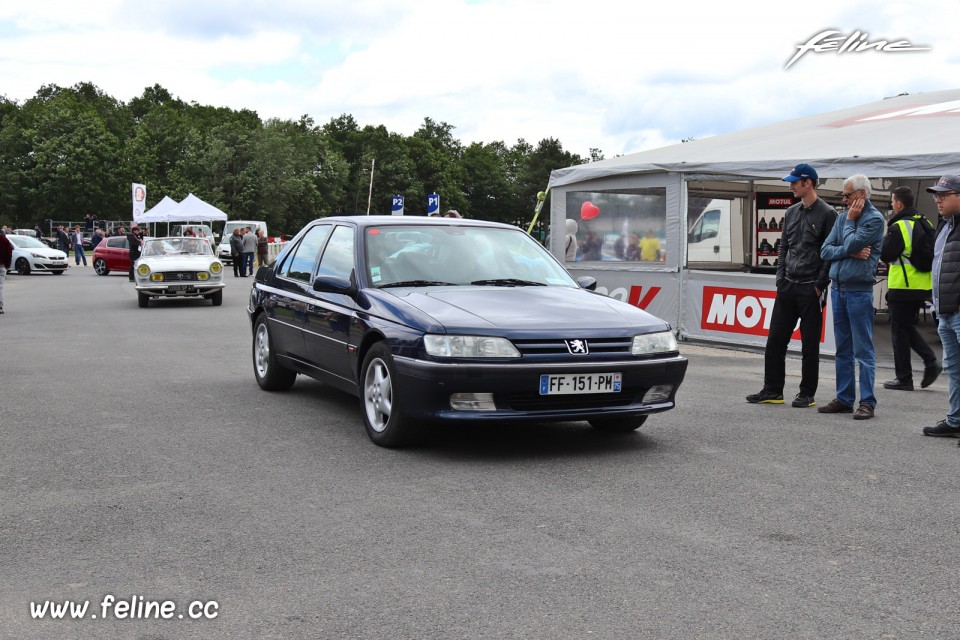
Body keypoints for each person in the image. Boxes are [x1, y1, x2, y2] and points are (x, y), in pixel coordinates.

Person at [747, 163, 837, 407]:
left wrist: (819, 285)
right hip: (788, 286)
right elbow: (783, 247)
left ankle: (807, 393)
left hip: (811, 288)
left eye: (795, 182)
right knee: (775, 340)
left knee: (809, 345)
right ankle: (773, 390)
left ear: (808, 183)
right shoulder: (791, 212)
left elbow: (829, 254)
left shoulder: (828, 214)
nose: (791, 186)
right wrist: (780, 279)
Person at [816, 174, 885, 420]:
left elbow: (852, 241)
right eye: (844, 196)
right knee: (843, 348)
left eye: (847, 195)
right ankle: (844, 399)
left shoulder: (874, 219)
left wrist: (849, 228)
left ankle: (867, 402)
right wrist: (850, 251)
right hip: (839, 288)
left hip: (858, 290)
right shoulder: (844, 217)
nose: (844, 200)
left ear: (862, 194)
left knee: (863, 350)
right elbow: (825, 250)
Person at [879, 186, 941, 391]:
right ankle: (929, 363)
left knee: (899, 329)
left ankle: (905, 377)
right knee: (905, 327)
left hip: (903, 285)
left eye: (892, 200)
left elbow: (886, 254)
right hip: (922, 285)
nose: (891, 203)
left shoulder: (900, 226)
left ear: (898, 203)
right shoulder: (926, 222)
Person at [922, 174, 960, 441]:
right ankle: (956, 419)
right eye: (936, 194)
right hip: (945, 311)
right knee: (954, 369)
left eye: (944, 194)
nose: (938, 199)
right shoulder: (945, 226)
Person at [0, 228, 11, 314]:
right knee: (0, 287)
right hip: (2, 265)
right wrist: (7, 265)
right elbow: (9, 253)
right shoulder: (5, 240)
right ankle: (0, 307)